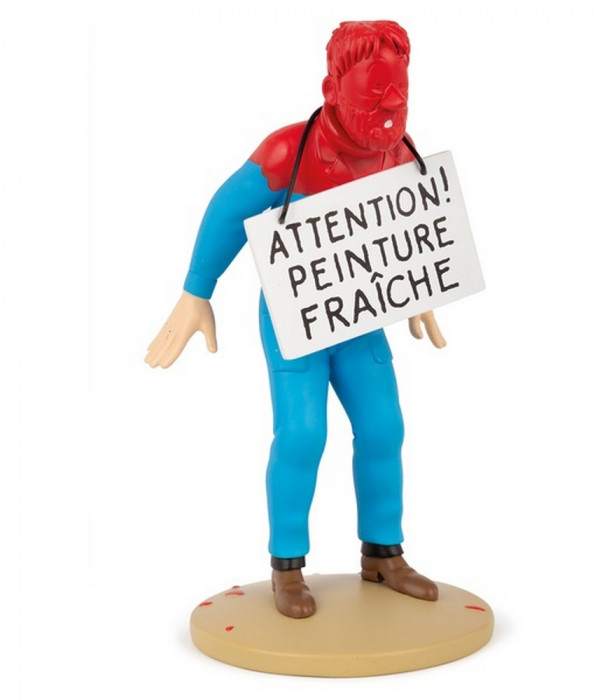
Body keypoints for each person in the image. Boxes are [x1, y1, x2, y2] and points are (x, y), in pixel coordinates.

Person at [146, 20, 444, 618]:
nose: (391, 107)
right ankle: (287, 564)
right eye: (374, 95)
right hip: (296, 318)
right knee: (303, 434)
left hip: (360, 315)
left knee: (384, 427)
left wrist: (418, 287)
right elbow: (228, 210)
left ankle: (383, 552)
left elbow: (402, 228)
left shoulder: (398, 153)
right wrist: (196, 291)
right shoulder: (290, 151)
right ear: (332, 90)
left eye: (400, 93)